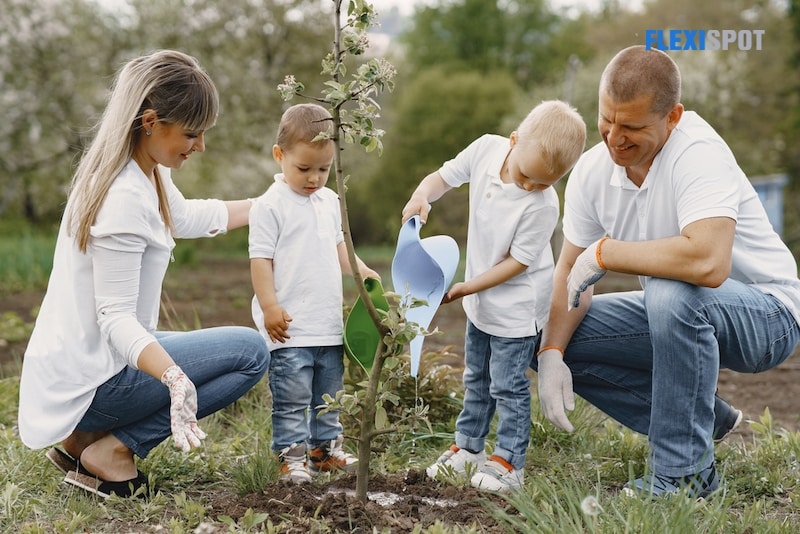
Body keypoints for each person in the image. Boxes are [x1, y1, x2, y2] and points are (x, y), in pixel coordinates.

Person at [532, 45, 800, 498]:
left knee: (670, 292)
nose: (615, 137)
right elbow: (568, 273)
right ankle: (704, 419)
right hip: (675, 307)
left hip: (767, 316)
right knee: (535, 330)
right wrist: (551, 352)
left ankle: (684, 476)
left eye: (632, 126)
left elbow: (708, 263)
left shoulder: (698, 152)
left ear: (672, 117)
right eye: (606, 119)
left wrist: (606, 254)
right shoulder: (593, 174)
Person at [17, 50, 270, 499]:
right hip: (94, 381)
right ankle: (112, 451)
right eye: (192, 134)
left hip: (86, 364)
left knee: (211, 349)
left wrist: (267, 207)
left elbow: (186, 216)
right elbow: (115, 317)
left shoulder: (139, 170)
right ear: (151, 121)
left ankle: (81, 442)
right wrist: (173, 378)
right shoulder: (124, 195)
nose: (200, 146)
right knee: (251, 352)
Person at [402, 100, 587, 492]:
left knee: (507, 384)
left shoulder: (543, 206)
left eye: (544, 182)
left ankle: (509, 461)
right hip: (482, 304)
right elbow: (444, 177)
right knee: (476, 378)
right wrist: (423, 195)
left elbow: (517, 263)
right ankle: (469, 449)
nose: (530, 187)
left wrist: (467, 285)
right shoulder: (485, 148)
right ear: (513, 141)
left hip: (517, 311)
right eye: (525, 176)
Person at [250, 103, 380, 484]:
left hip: (326, 323)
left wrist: (360, 270)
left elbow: (339, 245)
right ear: (280, 155)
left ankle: (325, 451)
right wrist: (270, 306)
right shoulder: (269, 206)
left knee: (329, 395)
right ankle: (290, 458)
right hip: (289, 327)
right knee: (292, 400)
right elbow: (260, 260)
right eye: (303, 169)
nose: (314, 179)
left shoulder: (329, 201)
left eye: (323, 170)